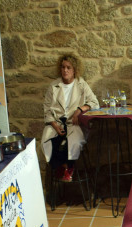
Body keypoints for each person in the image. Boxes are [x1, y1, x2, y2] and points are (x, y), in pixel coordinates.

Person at [41, 54, 99, 182]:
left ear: (74, 70)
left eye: (68, 67)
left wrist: (80, 110)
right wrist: (55, 126)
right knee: (48, 142)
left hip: (74, 123)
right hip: (56, 123)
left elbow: (95, 103)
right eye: (63, 67)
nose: (65, 70)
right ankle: (62, 168)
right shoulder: (54, 86)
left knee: (74, 142)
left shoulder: (81, 85)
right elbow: (47, 110)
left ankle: (67, 168)